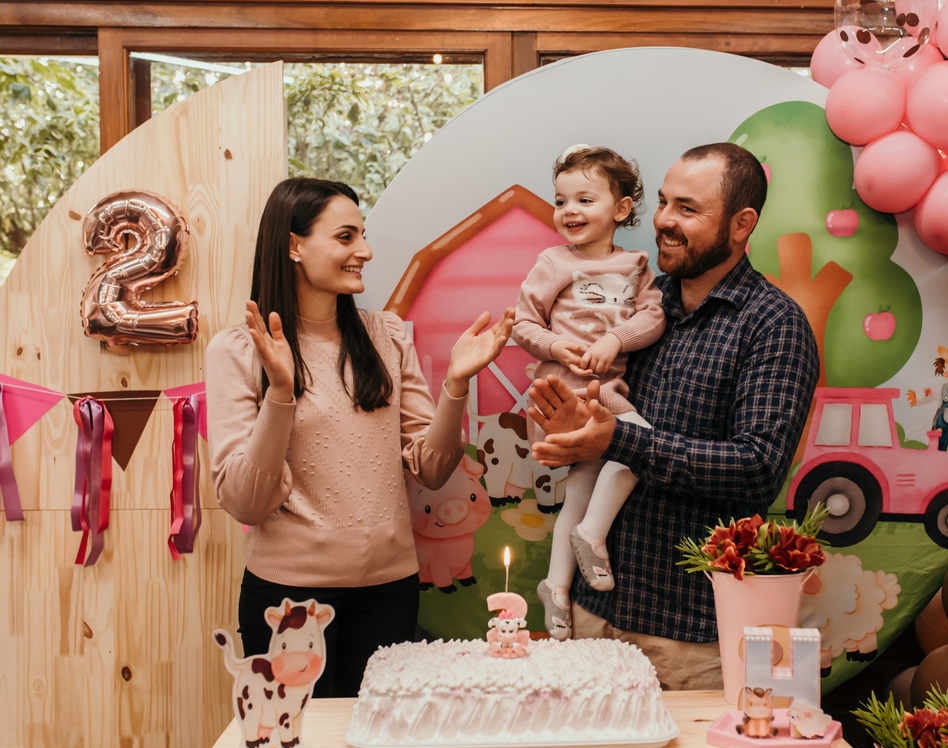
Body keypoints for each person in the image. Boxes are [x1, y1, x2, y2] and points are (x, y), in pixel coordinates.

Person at [206, 177, 514, 698]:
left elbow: (434, 469)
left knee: (375, 741)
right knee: (296, 742)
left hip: (389, 593)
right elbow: (245, 501)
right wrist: (280, 392)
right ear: (294, 245)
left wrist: (457, 385)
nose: (365, 252)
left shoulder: (386, 336)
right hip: (288, 601)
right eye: (346, 237)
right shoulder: (239, 351)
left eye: (363, 236)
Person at [529, 143, 820, 690]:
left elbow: (757, 468)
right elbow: (591, 406)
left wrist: (619, 441)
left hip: (691, 633)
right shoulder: (638, 303)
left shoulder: (774, 325)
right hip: (595, 615)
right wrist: (571, 423)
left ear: (741, 224)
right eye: (663, 202)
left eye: (687, 209)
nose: (663, 220)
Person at [513, 145, 665, 640]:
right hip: (564, 393)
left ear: (621, 209)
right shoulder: (552, 262)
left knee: (583, 486)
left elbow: (654, 316)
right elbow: (523, 323)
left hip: (605, 391)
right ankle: (591, 534)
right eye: (561, 201)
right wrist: (557, 345)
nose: (569, 211)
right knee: (639, 445)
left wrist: (615, 339)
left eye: (584, 200)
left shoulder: (636, 264)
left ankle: (556, 589)